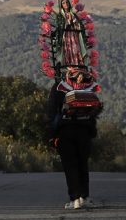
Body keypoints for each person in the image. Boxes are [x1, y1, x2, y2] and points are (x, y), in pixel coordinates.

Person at [46, 70, 98, 210]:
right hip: (84, 130)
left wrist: (52, 135)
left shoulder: (58, 87)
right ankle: (84, 197)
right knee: (82, 164)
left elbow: (51, 112)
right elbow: (95, 109)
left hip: (65, 131)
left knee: (70, 166)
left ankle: (75, 198)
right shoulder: (87, 85)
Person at [54, 0, 88, 71]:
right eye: (63, 3)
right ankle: (70, 65)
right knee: (68, 50)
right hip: (65, 36)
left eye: (66, 2)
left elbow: (78, 25)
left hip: (73, 35)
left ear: (69, 3)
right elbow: (59, 27)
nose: (65, 4)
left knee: (76, 49)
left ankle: (77, 64)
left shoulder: (74, 15)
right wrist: (67, 22)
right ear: (61, 5)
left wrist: (73, 22)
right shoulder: (60, 16)